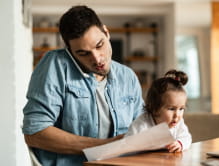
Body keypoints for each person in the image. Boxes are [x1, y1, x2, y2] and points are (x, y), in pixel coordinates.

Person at [22, 5, 144, 166]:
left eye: (99, 45)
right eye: (83, 53)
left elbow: (143, 124)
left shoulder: (127, 76)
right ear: (70, 51)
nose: (96, 59)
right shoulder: (55, 65)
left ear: (106, 33)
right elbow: (35, 132)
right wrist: (105, 147)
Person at [125, 69, 192, 152]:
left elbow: (186, 137)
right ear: (154, 108)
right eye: (172, 109)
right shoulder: (142, 124)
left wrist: (180, 143)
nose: (177, 115)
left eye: (181, 109)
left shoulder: (178, 123)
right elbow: (127, 143)